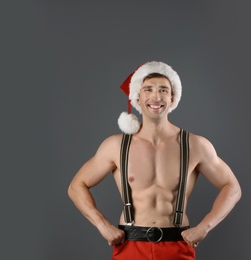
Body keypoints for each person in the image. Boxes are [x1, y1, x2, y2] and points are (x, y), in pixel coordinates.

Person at [68, 61, 241, 259]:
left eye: (163, 90)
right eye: (148, 89)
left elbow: (232, 187)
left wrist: (205, 226)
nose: (156, 97)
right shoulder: (115, 146)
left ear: (173, 97)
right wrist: (101, 224)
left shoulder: (195, 145)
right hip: (130, 245)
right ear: (137, 98)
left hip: (176, 245)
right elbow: (76, 186)